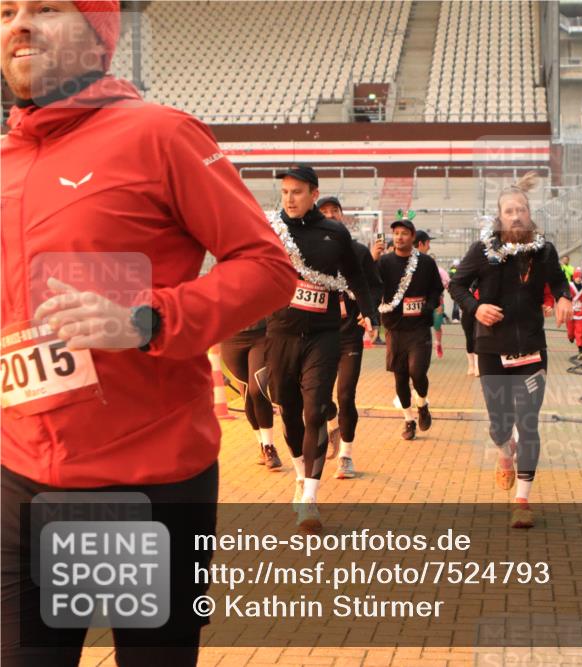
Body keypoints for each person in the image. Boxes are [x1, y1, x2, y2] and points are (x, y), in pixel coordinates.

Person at [0, 2, 297, 665]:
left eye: (45, 7)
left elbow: (268, 268)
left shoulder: (160, 135)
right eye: (4, 10)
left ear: (99, 30)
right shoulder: (4, 161)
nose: (18, 23)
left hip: (148, 480)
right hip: (20, 477)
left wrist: (146, 319)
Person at [448, 172, 573, 529]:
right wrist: (476, 308)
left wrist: (564, 297)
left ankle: (522, 500)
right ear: (499, 217)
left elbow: (559, 280)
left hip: (532, 348)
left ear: (530, 213)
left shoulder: (544, 250)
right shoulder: (483, 251)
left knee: (528, 422)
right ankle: (505, 453)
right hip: (492, 348)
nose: (516, 216)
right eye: (509, 211)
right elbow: (456, 284)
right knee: (500, 424)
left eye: (521, 209)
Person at [266, 165, 374, 532]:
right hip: (281, 333)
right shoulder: (271, 231)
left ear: (314, 193)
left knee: (315, 410)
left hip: (325, 334)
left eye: (297, 192)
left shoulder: (334, 232)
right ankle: (300, 474)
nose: (290, 199)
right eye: (284, 192)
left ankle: (310, 498)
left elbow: (356, 276)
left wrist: (369, 313)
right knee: (290, 412)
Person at [316, 195, 382, 480]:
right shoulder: (310, 251)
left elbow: (375, 287)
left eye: (335, 211)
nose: (330, 215)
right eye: (325, 211)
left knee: (346, 395)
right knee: (317, 396)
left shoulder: (357, 251)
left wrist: (368, 312)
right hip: (319, 335)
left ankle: (346, 455)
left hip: (349, 336)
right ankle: (333, 424)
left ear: (343, 216)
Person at [377, 212, 444, 441]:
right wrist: (372, 259)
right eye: (395, 233)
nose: (399, 237)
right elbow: (371, 286)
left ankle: (422, 405)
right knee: (400, 377)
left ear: (412, 237)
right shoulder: (384, 263)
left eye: (404, 233)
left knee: (417, 372)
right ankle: (408, 419)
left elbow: (437, 289)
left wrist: (430, 306)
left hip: (418, 328)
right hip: (395, 329)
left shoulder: (425, 263)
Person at [220, 319, 281, 469]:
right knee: (247, 394)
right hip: (230, 339)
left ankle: (269, 447)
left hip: (261, 335)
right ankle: (262, 444)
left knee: (257, 389)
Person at [415, 231, 450, 358]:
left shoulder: (431, 265)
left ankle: (437, 344)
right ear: (421, 244)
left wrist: (437, 303)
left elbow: (438, 288)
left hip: (431, 306)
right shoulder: (403, 261)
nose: (429, 247)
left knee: (436, 325)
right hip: (408, 316)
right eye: (428, 243)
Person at [567, 269, 582, 358]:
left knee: (580, 332)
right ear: (574, 277)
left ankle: (580, 351)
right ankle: (571, 337)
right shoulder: (569, 286)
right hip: (570, 312)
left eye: (580, 277)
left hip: (581, 312)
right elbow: (564, 296)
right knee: (570, 332)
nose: (579, 279)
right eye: (577, 277)